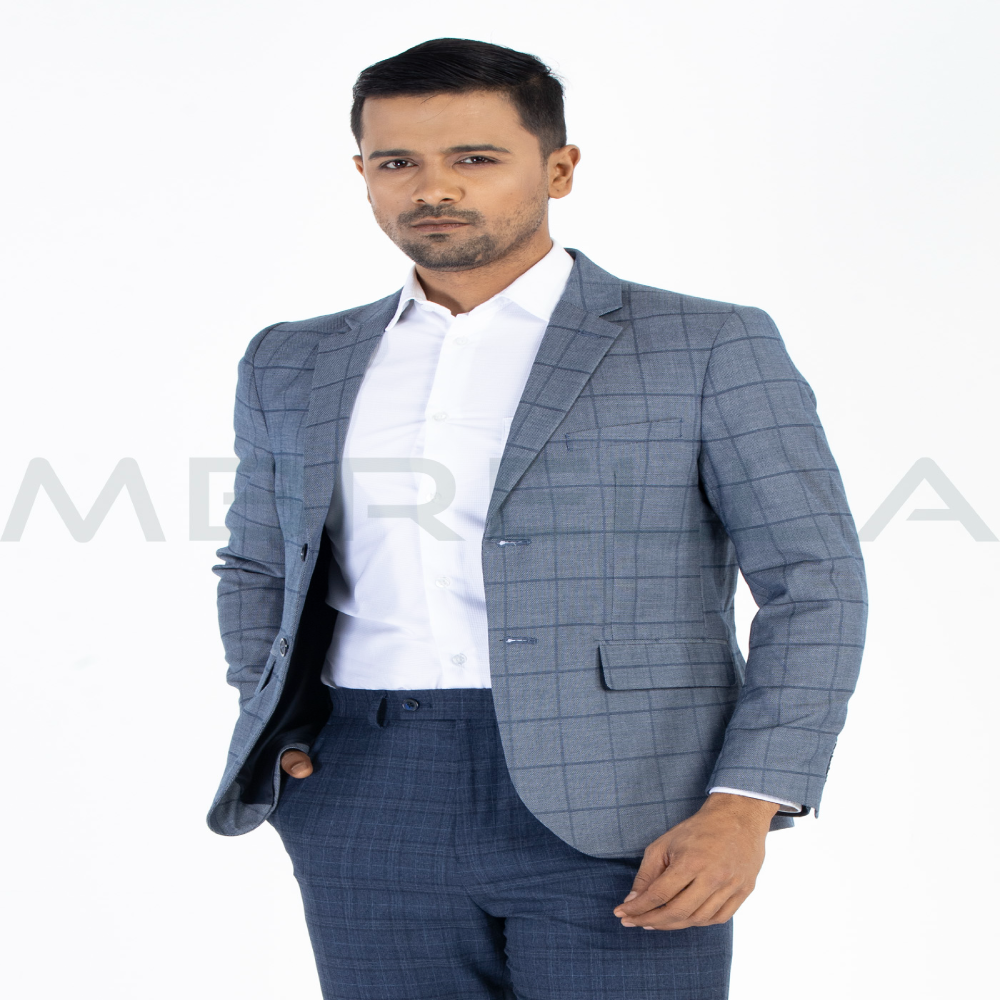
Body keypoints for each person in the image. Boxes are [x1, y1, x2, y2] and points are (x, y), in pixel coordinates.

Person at [207, 37, 868, 1000]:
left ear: (558, 168)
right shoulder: (292, 358)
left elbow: (815, 583)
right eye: (398, 162)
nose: (434, 187)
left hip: (634, 802)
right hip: (361, 787)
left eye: (474, 158)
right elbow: (259, 565)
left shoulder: (705, 344)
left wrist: (747, 801)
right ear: (363, 175)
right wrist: (275, 722)